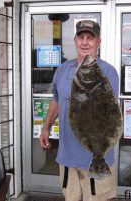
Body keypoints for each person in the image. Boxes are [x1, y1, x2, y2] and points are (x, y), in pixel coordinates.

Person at [39, 20, 119, 201]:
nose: (85, 42)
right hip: (67, 155)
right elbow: (56, 101)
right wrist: (46, 127)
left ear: (99, 42)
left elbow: (109, 114)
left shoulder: (109, 72)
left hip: (97, 156)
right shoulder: (62, 70)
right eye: (81, 37)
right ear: (75, 41)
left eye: (90, 38)